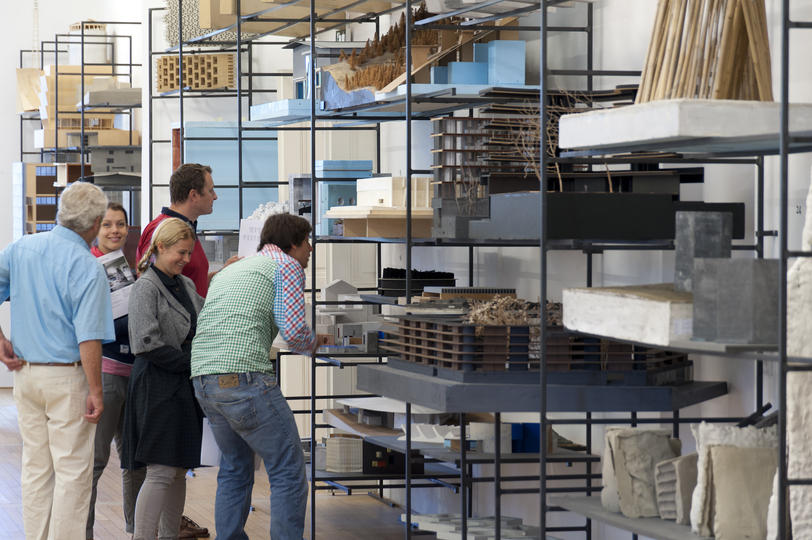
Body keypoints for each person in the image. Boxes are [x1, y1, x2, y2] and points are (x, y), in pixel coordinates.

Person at [0, 182, 115, 540]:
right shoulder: (88, 266)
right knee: (73, 472)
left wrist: (1, 340)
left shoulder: (22, 247)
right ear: (95, 223)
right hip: (68, 379)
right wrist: (97, 390)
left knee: (36, 468)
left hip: (27, 377)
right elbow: (89, 338)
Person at [191, 213, 317, 540]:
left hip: (204, 379)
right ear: (292, 244)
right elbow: (292, 330)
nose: (311, 249)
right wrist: (317, 343)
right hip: (243, 377)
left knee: (234, 469)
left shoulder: (234, 269)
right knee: (288, 470)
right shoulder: (286, 266)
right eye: (307, 241)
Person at [123, 218, 206, 540]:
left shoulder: (183, 284)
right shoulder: (146, 286)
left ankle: (169, 535)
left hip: (181, 383)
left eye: (189, 253)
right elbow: (145, 342)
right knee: (159, 471)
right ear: (160, 247)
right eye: (180, 253)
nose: (186, 260)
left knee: (177, 470)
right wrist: (193, 361)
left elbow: (202, 321)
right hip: (157, 384)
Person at [86, 202, 147, 540]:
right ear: (96, 227)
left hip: (134, 376)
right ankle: (85, 533)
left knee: (135, 461)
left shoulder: (131, 270)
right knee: (95, 462)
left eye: (120, 224)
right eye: (107, 224)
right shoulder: (90, 267)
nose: (115, 231)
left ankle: (136, 530)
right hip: (106, 377)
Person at [136, 163, 238, 298]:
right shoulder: (160, 230)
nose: (215, 196)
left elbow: (191, 284)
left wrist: (222, 273)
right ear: (194, 195)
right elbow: (151, 291)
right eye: (210, 191)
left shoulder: (187, 228)